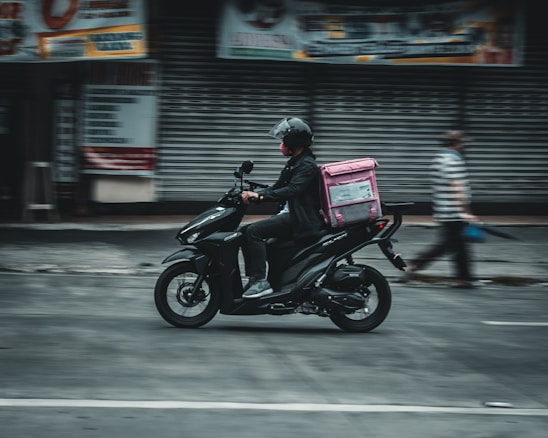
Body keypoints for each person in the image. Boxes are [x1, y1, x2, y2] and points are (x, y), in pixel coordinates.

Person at [240, 117, 324, 299]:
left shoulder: (307, 165)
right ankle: (260, 281)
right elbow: (277, 187)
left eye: (283, 140)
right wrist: (255, 195)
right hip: (291, 215)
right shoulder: (295, 162)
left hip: (300, 219)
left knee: (253, 232)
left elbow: (293, 190)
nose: (281, 144)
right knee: (245, 232)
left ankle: (259, 281)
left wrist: (261, 196)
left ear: (293, 141)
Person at [405, 130, 479, 288]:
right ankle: (461, 278)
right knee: (454, 245)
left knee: (453, 245)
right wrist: (466, 211)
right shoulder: (452, 161)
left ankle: (461, 277)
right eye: (462, 142)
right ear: (455, 143)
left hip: (445, 210)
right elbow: (456, 187)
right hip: (454, 212)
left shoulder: (439, 159)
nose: (464, 145)